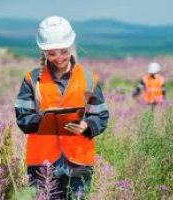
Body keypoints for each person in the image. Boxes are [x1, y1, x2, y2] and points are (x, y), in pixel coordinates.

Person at [15, 16, 109, 200]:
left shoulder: (89, 79)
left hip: (79, 160)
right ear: (43, 52)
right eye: (52, 53)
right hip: (42, 162)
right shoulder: (31, 80)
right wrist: (44, 120)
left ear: (72, 46)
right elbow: (22, 118)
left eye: (64, 51)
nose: (58, 58)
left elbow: (101, 116)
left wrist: (86, 126)